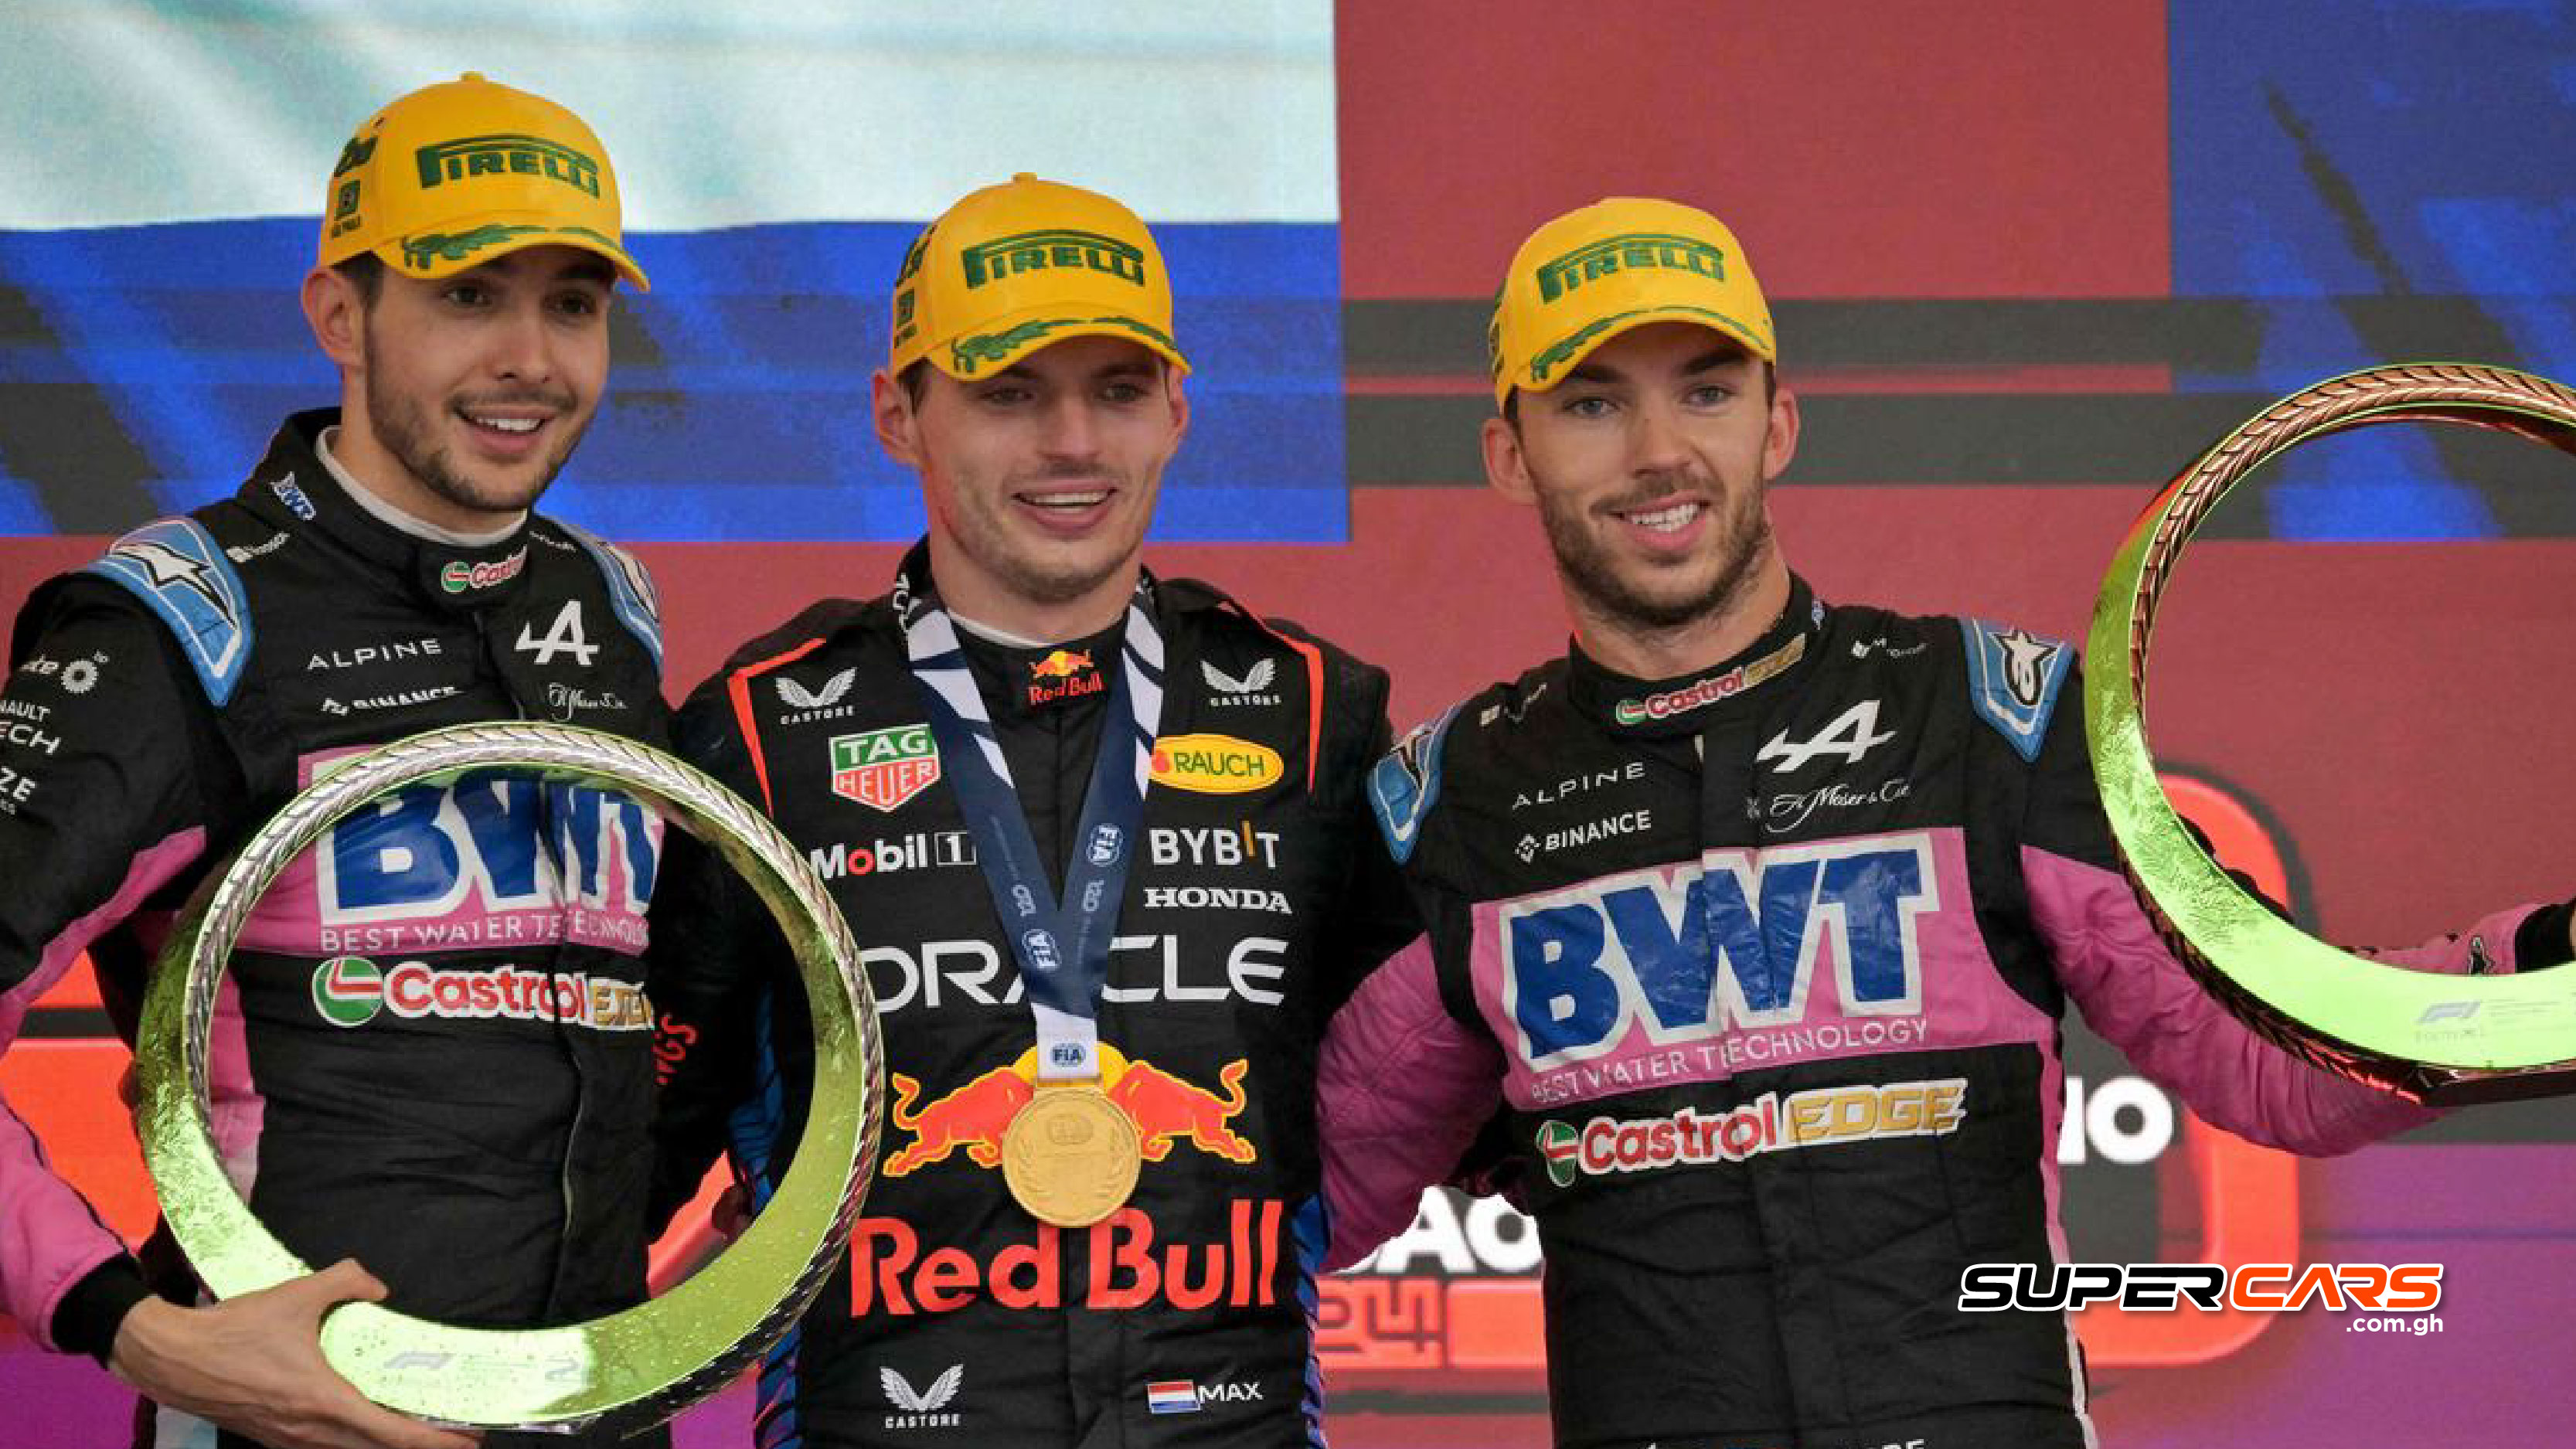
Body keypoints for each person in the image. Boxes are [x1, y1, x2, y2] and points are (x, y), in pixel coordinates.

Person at [1318, 196, 2576, 1449]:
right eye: (1591, 404)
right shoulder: (1454, 803)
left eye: (1705, 392)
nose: (1659, 451)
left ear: (1778, 424)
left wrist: (2548, 970)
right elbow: (1310, 1189)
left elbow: (2271, 1049)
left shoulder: (1983, 720)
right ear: (1506, 453)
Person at [647, 173, 1417, 1447]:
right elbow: (639, 1135)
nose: (1071, 444)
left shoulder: (1312, 712)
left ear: (1175, 411)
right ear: (901, 413)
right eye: (1008, 393)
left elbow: (1435, 1085)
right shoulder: (765, 730)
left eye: (1116, 391)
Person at [0, 73, 670, 1449]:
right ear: (339, 316)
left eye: (572, 303)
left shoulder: (610, 609)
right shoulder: (182, 622)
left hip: (591, 1412)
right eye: (468, 296)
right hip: (288, 1425)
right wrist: (133, 1328)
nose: (530, 359)